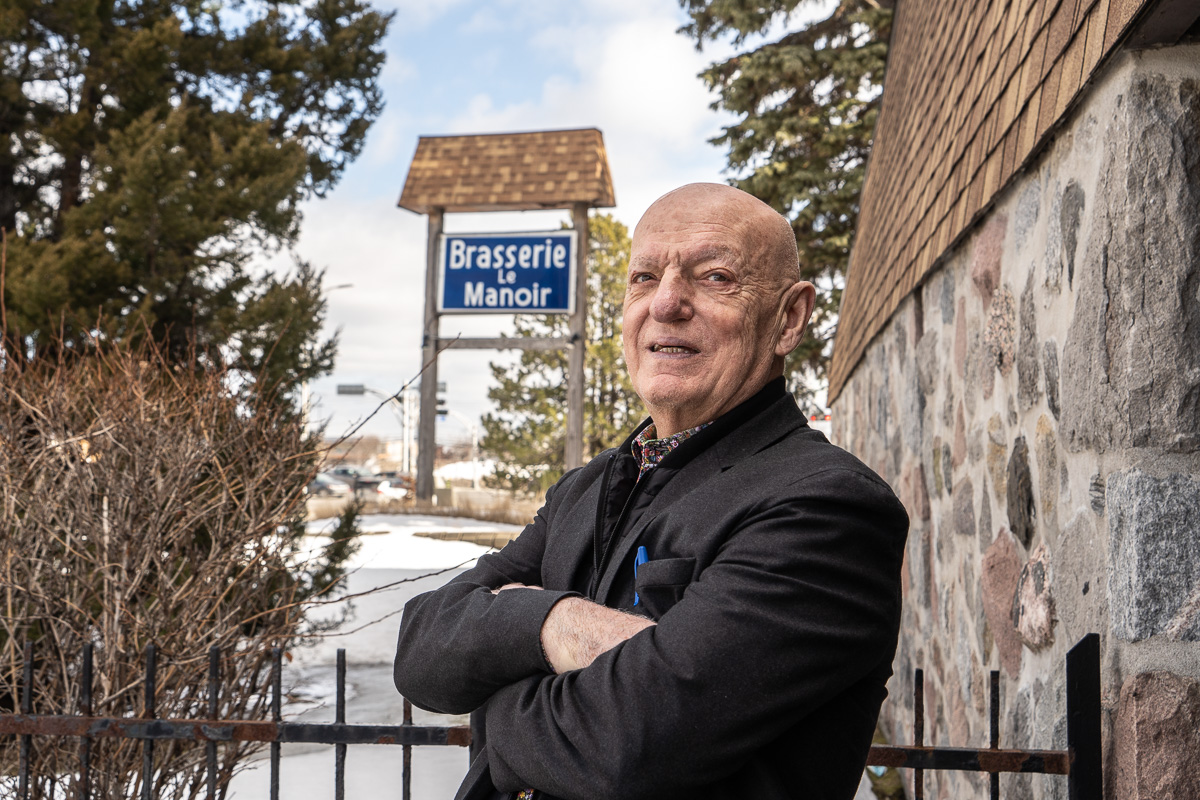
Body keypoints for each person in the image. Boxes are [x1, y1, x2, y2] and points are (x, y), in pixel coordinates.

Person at [394, 183, 909, 800]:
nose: (665, 304)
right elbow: (420, 651)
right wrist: (559, 623)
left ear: (789, 318)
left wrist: (495, 707)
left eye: (715, 277)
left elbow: (627, 744)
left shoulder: (829, 508)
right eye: (644, 277)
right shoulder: (588, 488)